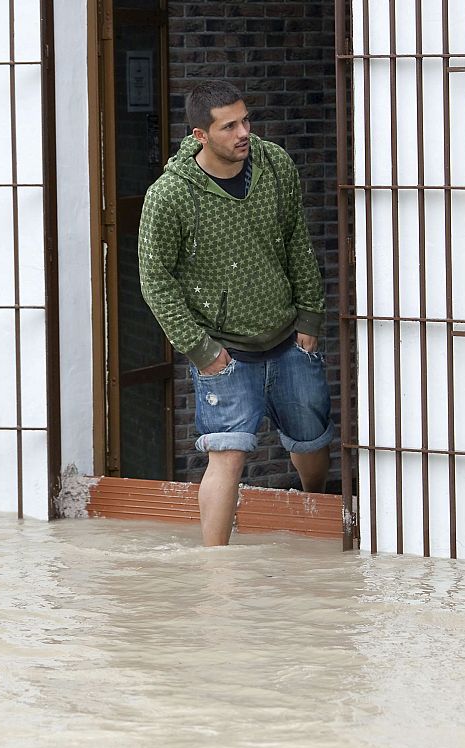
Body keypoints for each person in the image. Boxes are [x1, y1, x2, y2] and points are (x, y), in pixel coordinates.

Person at [138, 80, 333, 546]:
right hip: (223, 351)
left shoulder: (275, 164)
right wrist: (203, 351)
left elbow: (296, 243)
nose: (244, 132)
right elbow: (156, 282)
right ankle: (215, 571)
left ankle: (318, 522)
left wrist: (310, 317)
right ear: (201, 135)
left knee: (312, 440)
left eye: (246, 120)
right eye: (230, 126)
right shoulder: (168, 197)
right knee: (226, 455)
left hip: (288, 337)